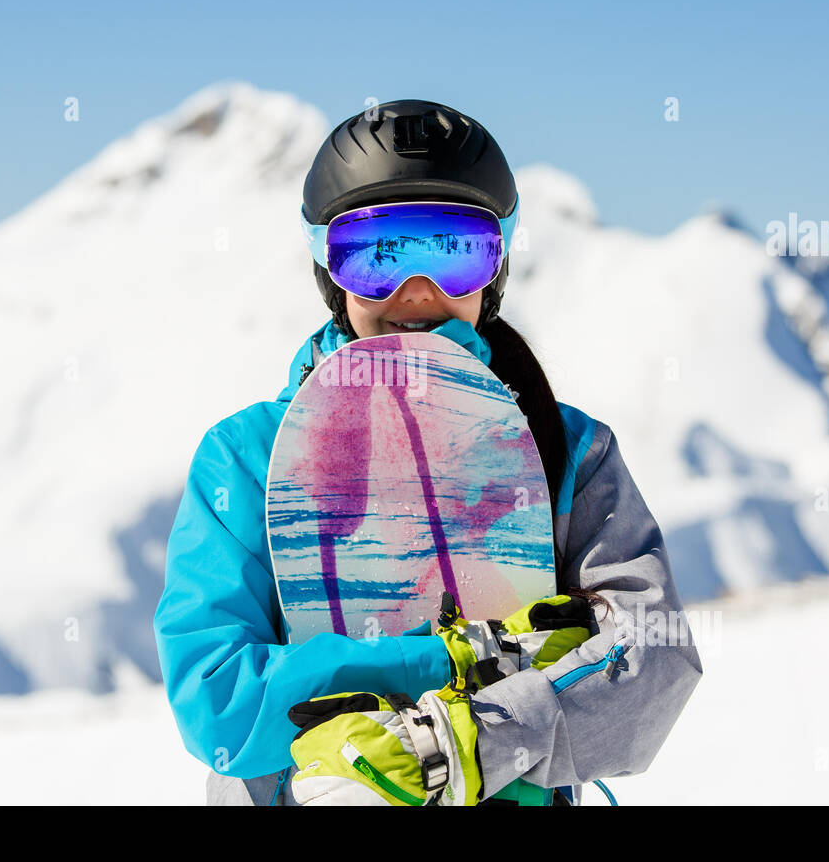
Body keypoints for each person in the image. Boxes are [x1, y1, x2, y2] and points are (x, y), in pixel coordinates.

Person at [154, 99, 702, 805]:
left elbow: (652, 663)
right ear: (329, 268)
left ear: (495, 268)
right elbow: (217, 701)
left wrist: (471, 743)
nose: (416, 292)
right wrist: (460, 660)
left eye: (453, 251)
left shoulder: (567, 450)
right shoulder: (246, 459)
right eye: (378, 255)